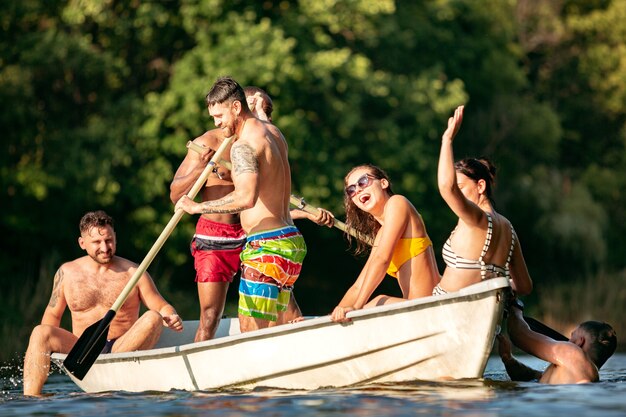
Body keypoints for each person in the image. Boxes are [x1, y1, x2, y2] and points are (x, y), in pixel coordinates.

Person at [170, 86, 330, 340]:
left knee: (252, 335)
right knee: (277, 330)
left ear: (237, 107)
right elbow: (269, 197)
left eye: (220, 116)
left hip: (265, 246)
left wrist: (197, 207)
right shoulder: (276, 134)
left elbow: (246, 198)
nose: (217, 123)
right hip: (289, 242)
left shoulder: (243, 145)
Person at [23, 211, 183, 396]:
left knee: (153, 317)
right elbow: (53, 315)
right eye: (97, 243)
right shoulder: (67, 273)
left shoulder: (134, 272)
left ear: (115, 238)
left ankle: (112, 369)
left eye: (109, 240)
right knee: (40, 332)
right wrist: (49, 354)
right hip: (83, 349)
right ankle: (31, 398)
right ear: (82, 243)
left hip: (122, 347)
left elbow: (162, 306)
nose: (105, 248)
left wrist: (171, 315)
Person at [434, 105, 533, 296]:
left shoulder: (475, 219)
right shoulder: (508, 229)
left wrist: (446, 140)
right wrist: (494, 287)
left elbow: (447, 187)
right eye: (458, 189)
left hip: (446, 311)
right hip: (477, 312)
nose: (458, 195)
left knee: (377, 300)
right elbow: (524, 286)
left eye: (461, 188)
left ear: (480, 186)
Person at [330, 164, 440, 323]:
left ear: (383, 183)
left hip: (427, 305)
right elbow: (358, 286)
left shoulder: (397, 203)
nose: (358, 190)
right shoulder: (381, 233)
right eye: (351, 190)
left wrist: (357, 307)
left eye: (363, 182)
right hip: (417, 308)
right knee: (371, 304)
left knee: (378, 301)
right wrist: (330, 319)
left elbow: (382, 259)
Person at [497, 305, 617, 384]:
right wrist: (508, 359)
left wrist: (515, 306)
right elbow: (534, 377)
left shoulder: (573, 354)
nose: (568, 341)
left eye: (572, 335)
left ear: (580, 341)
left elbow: (519, 335)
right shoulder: (586, 373)